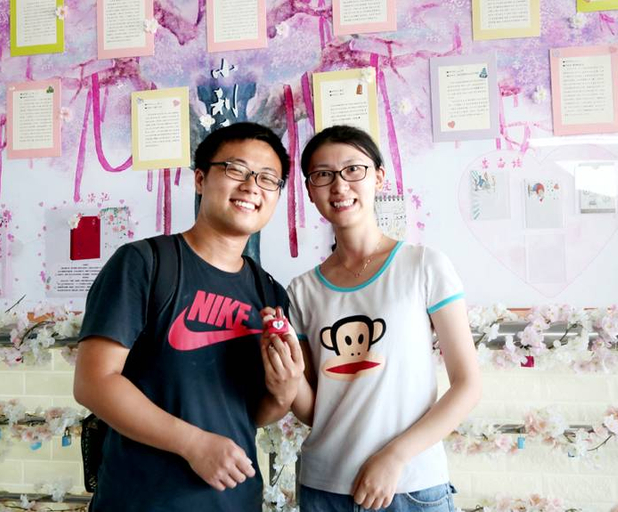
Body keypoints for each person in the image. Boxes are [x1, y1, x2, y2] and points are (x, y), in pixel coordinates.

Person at [74, 122, 305, 512]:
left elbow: (251, 412)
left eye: (268, 178)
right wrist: (193, 444)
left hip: (235, 501)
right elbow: (93, 383)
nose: (252, 186)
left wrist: (284, 392)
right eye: (236, 169)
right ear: (200, 179)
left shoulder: (269, 293)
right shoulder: (144, 263)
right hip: (142, 501)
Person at [278, 125, 481, 512]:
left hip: (410, 488)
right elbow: (314, 410)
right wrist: (286, 379)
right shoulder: (302, 290)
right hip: (324, 489)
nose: (339, 186)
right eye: (323, 174)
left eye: (353, 169)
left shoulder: (424, 266)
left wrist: (395, 456)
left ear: (379, 177)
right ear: (309, 190)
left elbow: (468, 385)